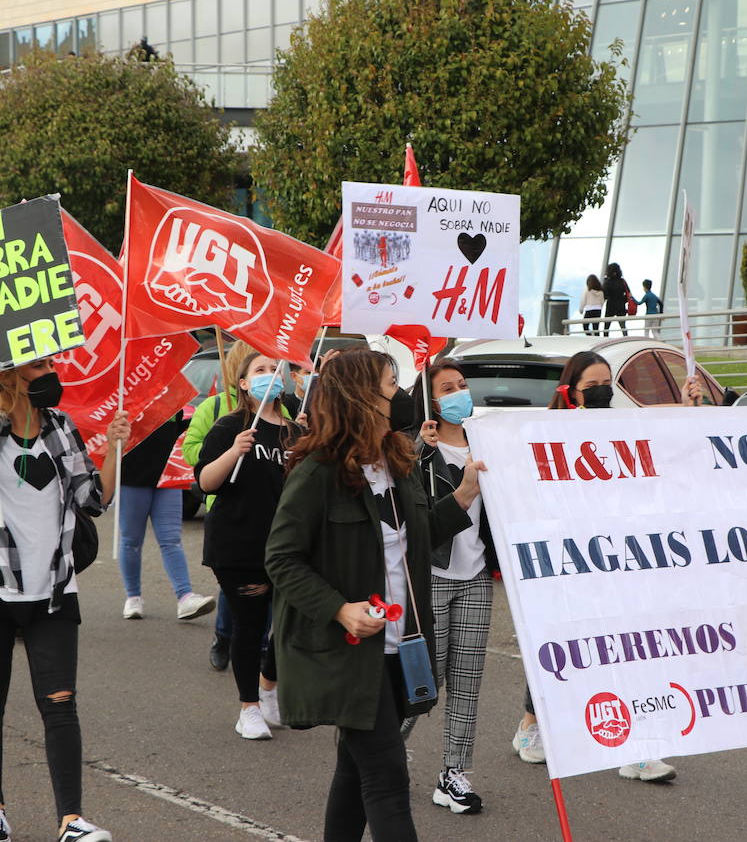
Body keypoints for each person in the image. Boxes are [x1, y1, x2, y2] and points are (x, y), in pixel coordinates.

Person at [266, 349, 481, 842]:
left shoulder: (396, 461)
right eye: (390, 384)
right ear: (360, 396)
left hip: (397, 649)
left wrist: (466, 493)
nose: (400, 396)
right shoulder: (318, 471)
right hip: (347, 654)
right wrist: (339, 609)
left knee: (353, 768)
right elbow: (280, 559)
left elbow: (420, 534)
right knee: (387, 776)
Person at [0, 358, 130, 842]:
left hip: (53, 587)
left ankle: (71, 819)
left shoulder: (61, 426)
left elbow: (94, 499)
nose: (51, 371)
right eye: (39, 365)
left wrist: (113, 449)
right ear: (7, 375)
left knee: (61, 702)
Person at [511, 351, 699, 783]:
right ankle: (530, 725)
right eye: (591, 386)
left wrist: (689, 409)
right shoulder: (545, 432)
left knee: (628, 647)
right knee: (561, 648)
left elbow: (659, 425)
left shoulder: (617, 426)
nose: (601, 392)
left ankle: (638, 748)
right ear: (569, 390)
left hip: (618, 561)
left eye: (606, 384)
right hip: (568, 561)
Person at [408, 359, 498, 815]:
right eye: (448, 388)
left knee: (467, 681)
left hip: (477, 579)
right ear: (431, 399)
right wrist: (418, 451)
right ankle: (383, 749)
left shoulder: (488, 440)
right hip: (433, 580)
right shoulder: (416, 450)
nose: (460, 393)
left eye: (463, 385)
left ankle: (453, 774)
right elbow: (416, 520)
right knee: (428, 681)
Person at [195, 351, 299, 740]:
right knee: (250, 625)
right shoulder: (230, 427)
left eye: (275, 370)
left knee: (291, 625)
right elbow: (205, 482)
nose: (269, 376)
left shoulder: (294, 432)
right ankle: (248, 708)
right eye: (260, 370)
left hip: (286, 547)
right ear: (242, 382)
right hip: (238, 545)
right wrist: (233, 451)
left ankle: (268, 690)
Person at [182, 339, 256, 670]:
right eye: (262, 367)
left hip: (267, 506)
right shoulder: (211, 407)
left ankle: (260, 644)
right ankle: (224, 636)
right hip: (226, 504)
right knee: (234, 583)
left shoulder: (279, 409)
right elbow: (191, 450)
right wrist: (220, 451)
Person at [118, 413, 215, 622]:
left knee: (171, 539)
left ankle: (185, 597)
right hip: (132, 477)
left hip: (168, 477)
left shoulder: (171, 393)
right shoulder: (127, 390)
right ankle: (133, 597)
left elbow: (181, 428)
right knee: (131, 541)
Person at [602, 263, 632, 337]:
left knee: (606, 327)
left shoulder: (607, 282)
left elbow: (604, 295)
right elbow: (628, 294)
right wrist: (623, 300)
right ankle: (626, 339)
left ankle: (605, 340)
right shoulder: (622, 281)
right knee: (623, 326)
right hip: (621, 306)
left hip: (610, 306)